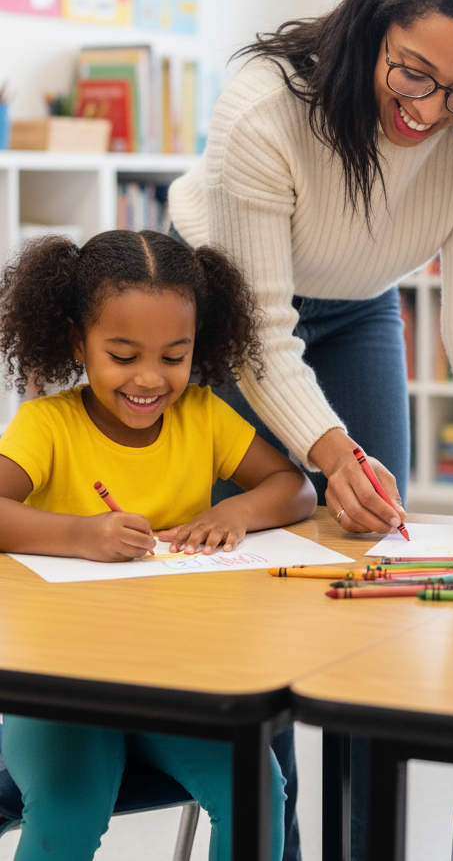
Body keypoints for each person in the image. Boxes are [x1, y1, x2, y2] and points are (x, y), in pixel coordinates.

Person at [167, 0, 453, 859]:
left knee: (369, 573)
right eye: (414, 73)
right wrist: (326, 450)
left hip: (356, 309)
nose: (430, 112)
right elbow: (263, 333)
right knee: (263, 599)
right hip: (224, 311)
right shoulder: (266, 108)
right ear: (375, 27)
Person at [0, 229, 317, 861]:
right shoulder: (48, 425)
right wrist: (79, 533)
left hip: (175, 685)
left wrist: (235, 511)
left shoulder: (203, 416)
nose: (150, 379)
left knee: (260, 788)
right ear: (75, 342)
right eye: (122, 355)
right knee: (71, 805)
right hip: (66, 690)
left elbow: (295, 488)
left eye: (173, 357)